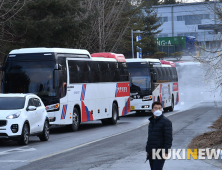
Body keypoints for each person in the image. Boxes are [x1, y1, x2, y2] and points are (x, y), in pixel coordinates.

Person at [146, 101, 173, 170]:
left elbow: (168, 138)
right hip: (151, 152)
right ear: (152, 110)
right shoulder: (152, 122)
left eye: (159, 108)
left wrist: (166, 151)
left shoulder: (166, 122)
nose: (158, 110)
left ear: (162, 109)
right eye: (155, 108)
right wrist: (148, 151)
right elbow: (150, 137)